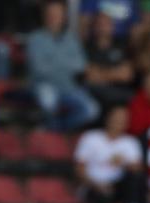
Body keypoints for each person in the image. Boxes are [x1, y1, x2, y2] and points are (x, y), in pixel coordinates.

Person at [27, 0, 99, 132]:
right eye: (51, 14)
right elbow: (39, 69)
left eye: (57, 14)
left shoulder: (72, 39)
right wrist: (66, 65)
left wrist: (53, 62)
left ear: (64, 17)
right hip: (45, 86)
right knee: (47, 101)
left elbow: (81, 66)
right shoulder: (35, 39)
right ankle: (53, 130)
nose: (54, 17)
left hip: (69, 87)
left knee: (92, 110)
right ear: (44, 16)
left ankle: (56, 129)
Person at [75, 104, 143, 203]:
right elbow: (79, 168)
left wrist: (123, 163)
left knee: (135, 179)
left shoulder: (131, 142)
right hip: (94, 185)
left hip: (117, 186)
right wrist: (97, 185)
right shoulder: (90, 137)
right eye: (116, 118)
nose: (119, 122)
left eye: (123, 119)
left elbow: (138, 170)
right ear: (108, 118)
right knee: (103, 198)